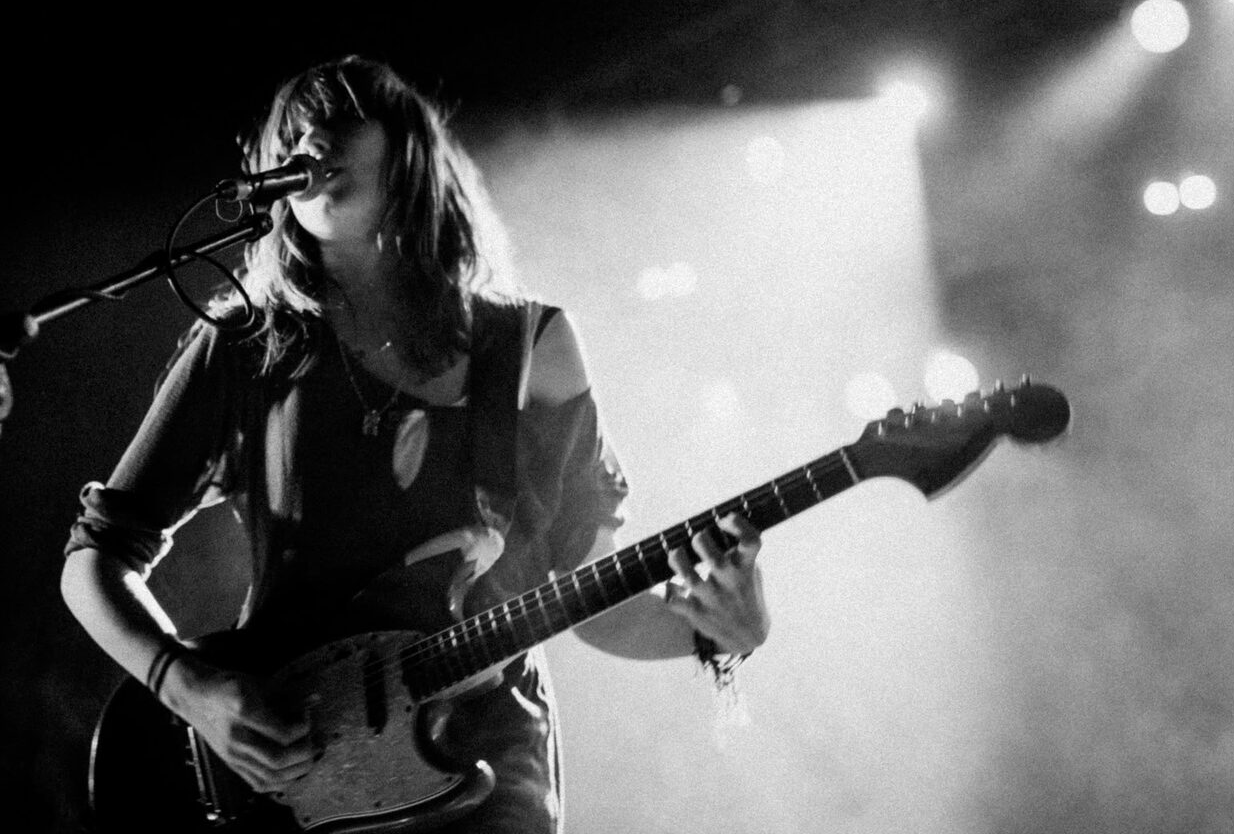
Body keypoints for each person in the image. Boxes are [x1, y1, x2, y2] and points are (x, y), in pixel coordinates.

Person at [61, 55, 771, 831]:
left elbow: (584, 596)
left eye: (336, 121)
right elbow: (93, 561)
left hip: (485, 772)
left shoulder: (529, 349)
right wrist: (189, 688)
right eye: (291, 134)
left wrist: (716, 632)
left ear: (405, 149)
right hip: (292, 785)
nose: (311, 143)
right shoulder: (244, 346)